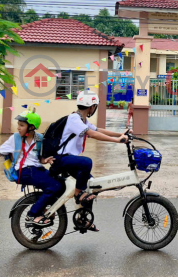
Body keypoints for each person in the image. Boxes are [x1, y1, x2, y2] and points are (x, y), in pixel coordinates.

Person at [0, 110, 64, 227]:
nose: (18, 128)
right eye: (18, 125)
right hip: (24, 171)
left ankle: (45, 209)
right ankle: (32, 214)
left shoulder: (40, 139)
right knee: (54, 186)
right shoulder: (15, 138)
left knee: (61, 184)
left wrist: (45, 160)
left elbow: (38, 158)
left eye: (22, 125)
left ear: (31, 127)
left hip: (36, 169)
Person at [50, 90, 129, 232]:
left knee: (93, 186)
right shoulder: (74, 119)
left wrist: (121, 134)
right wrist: (116, 141)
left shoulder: (82, 120)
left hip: (69, 160)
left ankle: (83, 220)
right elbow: (92, 133)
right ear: (92, 106)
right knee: (86, 162)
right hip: (62, 159)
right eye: (95, 106)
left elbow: (99, 130)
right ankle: (78, 194)